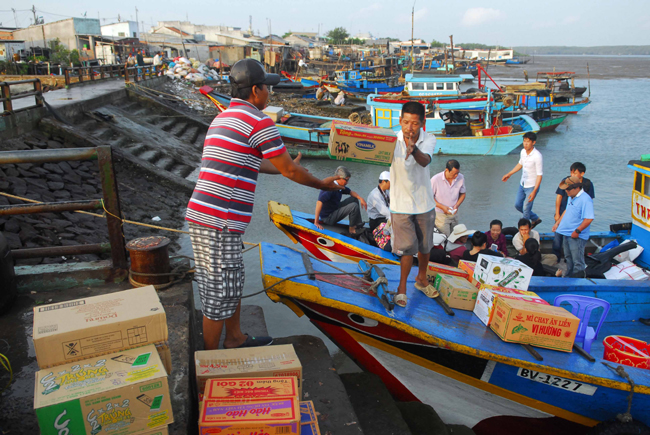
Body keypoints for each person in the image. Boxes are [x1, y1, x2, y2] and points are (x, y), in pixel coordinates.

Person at [186, 59, 341, 350]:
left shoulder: (222, 118)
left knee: (230, 281)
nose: (270, 92)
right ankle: (209, 363)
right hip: (219, 219)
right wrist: (321, 184)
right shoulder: (259, 121)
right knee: (218, 292)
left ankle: (235, 338)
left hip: (205, 215)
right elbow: (290, 172)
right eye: (267, 87)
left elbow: (254, 162)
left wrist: (285, 165)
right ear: (255, 90)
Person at [390, 101, 437, 308]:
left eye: (415, 124)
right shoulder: (391, 139)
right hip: (400, 203)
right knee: (408, 249)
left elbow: (425, 160)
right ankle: (402, 289)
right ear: (400, 121)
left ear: (422, 124)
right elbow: (372, 152)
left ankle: (422, 278)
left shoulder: (429, 139)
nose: (409, 128)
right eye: (406, 122)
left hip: (424, 202)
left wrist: (413, 149)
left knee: (425, 247)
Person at [552, 176, 594, 277]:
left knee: (578, 261)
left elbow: (589, 218)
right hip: (566, 233)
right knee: (568, 257)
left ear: (576, 188)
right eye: (565, 189)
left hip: (576, 236)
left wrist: (577, 231)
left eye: (568, 189)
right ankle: (569, 277)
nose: (566, 191)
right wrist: (557, 223)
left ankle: (578, 281)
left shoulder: (585, 199)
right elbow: (567, 211)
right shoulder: (571, 197)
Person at [502, 132, 543, 228]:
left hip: (532, 186)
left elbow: (539, 175)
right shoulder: (523, 152)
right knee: (517, 205)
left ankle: (524, 230)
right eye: (524, 141)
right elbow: (520, 164)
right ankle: (535, 219)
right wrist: (509, 174)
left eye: (528, 142)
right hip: (523, 184)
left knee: (526, 208)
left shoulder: (537, 156)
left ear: (533, 142)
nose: (525, 143)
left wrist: (534, 191)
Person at [314, 166, 367, 234]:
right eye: (346, 180)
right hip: (328, 218)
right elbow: (319, 202)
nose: (347, 182)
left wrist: (360, 198)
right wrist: (316, 221)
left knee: (354, 199)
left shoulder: (339, 187)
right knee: (353, 206)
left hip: (334, 209)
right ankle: (352, 230)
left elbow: (350, 192)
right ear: (339, 178)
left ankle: (357, 224)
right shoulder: (330, 188)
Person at [431, 159, 466, 236]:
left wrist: (457, 205)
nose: (456, 176)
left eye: (457, 173)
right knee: (444, 236)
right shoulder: (435, 179)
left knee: (455, 236)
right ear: (447, 170)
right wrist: (442, 207)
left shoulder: (461, 177)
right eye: (454, 174)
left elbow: (463, 194)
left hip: (454, 213)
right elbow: (429, 198)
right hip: (440, 214)